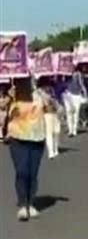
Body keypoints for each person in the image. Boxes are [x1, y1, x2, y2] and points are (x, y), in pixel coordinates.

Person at [5, 77, 50, 221]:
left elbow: (54, 109)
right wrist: (9, 100)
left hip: (37, 138)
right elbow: (6, 111)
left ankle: (31, 203)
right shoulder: (12, 95)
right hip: (18, 138)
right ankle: (23, 204)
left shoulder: (40, 95)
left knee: (32, 173)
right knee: (22, 171)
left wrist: (49, 100)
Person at [37, 77, 61, 159]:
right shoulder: (39, 93)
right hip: (46, 115)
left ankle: (55, 148)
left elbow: (56, 101)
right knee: (49, 133)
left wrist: (54, 102)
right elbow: (39, 105)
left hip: (54, 113)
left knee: (56, 131)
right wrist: (46, 102)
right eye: (46, 85)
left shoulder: (52, 91)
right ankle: (51, 151)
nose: (48, 87)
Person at [63, 66, 87, 137]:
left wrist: (84, 93)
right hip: (68, 94)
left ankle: (74, 130)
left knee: (75, 112)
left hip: (76, 95)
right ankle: (71, 130)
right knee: (69, 112)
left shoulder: (77, 74)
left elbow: (81, 84)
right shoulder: (65, 73)